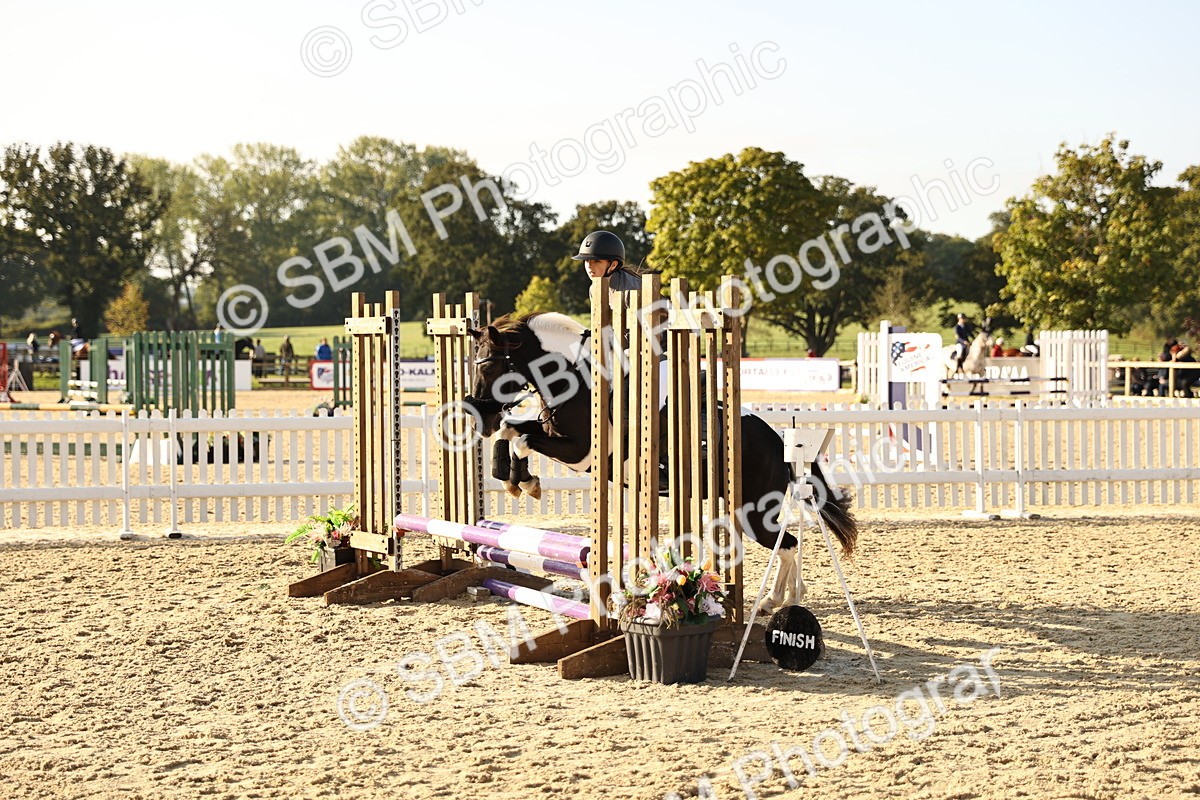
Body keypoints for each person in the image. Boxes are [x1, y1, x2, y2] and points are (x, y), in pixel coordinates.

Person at [572, 230, 640, 293]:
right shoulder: (593, 289)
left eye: (596, 261)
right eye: (586, 260)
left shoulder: (631, 290)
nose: (589, 266)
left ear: (613, 265)